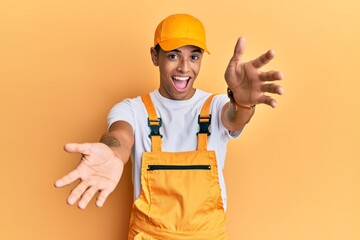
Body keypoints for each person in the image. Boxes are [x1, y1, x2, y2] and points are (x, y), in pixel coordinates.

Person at [55, 13, 284, 239]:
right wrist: (112, 153)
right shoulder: (132, 109)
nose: (184, 68)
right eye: (173, 56)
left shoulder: (216, 105)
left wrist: (243, 102)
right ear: (155, 56)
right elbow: (120, 138)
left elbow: (235, 118)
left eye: (194, 57)